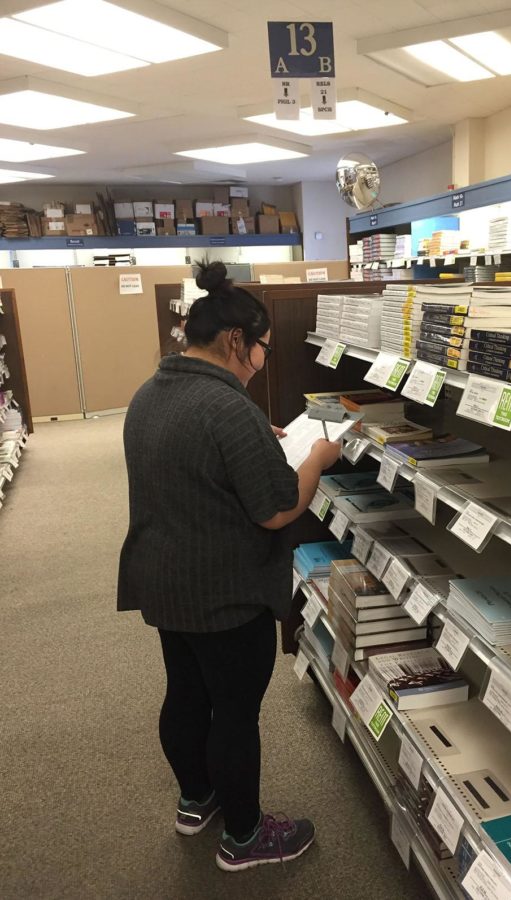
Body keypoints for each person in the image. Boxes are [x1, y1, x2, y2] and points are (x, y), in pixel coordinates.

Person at [117, 261, 341, 872]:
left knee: (186, 694)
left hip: (165, 580)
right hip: (224, 592)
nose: (264, 359)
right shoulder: (227, 406)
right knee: (236, 713)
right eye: (263, 347)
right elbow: (275, 509)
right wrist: (316, 461)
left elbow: (193, 464)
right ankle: (245, 838)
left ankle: (197, 800)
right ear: (236, 340)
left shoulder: (152, 392)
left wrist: (252, 441)